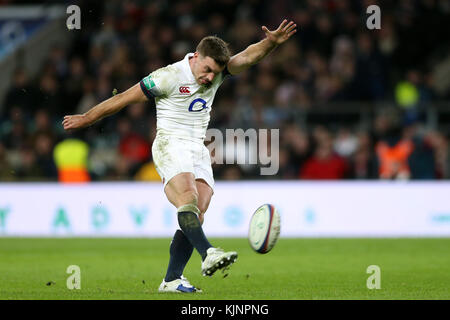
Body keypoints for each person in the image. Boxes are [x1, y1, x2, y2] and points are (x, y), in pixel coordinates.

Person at [62, 19, 297, 293]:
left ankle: (172, 279)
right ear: (196, 57)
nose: (210, 77)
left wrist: (270, 43)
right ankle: (208, 252)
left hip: (197, 147)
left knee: (200, 209)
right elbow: (124, 98)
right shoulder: (168, 77)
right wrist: (87, 117)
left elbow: (247, 56)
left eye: (215, 73)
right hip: (169, 143)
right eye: (207, 69)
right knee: (188, 198)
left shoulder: (219, 71)